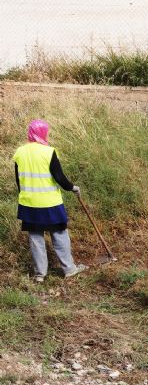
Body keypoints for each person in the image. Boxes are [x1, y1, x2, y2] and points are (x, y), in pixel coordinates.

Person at [13, 120, 88, 282]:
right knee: (60, 234)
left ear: (30, 133)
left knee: (35, 237)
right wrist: (72, 187)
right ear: (43, 133)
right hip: (50, 204)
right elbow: (59, 177)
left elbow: (18, 181)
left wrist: (27, 196)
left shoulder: (19, 152)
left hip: (29, 203)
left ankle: (40, 274)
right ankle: (69, 269)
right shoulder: (49, 152)